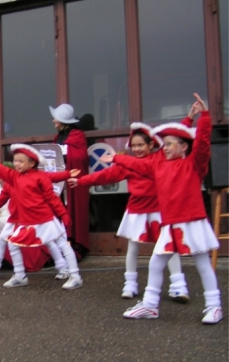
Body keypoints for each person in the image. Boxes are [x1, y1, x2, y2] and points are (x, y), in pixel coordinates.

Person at [102, 94, 223, 324]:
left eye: (169, 144)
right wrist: (117, 158)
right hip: (170, 224)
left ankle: (214, 307)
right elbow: (137, 164)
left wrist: (205, 116)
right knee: (156, 263)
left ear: (184, 147)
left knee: (202, 264)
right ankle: (150, 306)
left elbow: (203, 143)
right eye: (164, 144)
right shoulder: (158, 166)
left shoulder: (194, 164)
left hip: (193, 221)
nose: (164, 148)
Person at [69, 122, 189, 300]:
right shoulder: (127, 164)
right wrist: (81, 181)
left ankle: (178, 286)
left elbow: (175, 137)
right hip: (136, 211)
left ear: (151, 144)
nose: (137, 149)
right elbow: (105, 176)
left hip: (159, 211)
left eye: (141, 145)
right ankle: (130, 284)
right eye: (134, 146)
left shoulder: (159, 158)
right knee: (133, 249)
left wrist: (189, 119)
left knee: (168, 247)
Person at [0, 144, 84, 290]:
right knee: (12, 244)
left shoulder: (40, 177)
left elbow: (52, 197)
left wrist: (63, 214)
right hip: (26, 221)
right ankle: (20, 276)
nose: (17, 164)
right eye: (15, 161)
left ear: (32, 163)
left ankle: (75, 276)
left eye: (21, 161)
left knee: (62, 244)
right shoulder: (13, 177)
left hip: (45, 219)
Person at [50, 104, 90, 261]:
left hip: (73, 181)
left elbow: (80, 157)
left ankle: (76, 244)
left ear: (63, 120)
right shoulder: (58, 137)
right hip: (60, 180)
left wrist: (65, 152)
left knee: (75, 210)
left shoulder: (77, 136)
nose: (53, 121)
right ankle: (61, 244)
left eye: (56, 118)